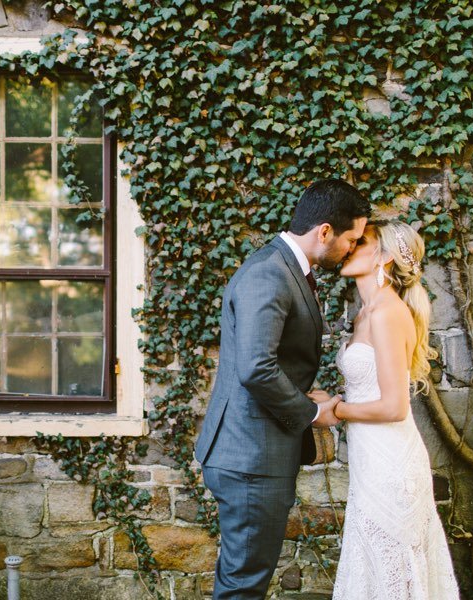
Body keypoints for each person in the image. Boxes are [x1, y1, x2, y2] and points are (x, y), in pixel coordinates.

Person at [194, 179, 370, 599]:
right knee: (243, 586)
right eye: (351, 239)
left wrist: (301, 393)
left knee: (241, 579)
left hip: (253, 453)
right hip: (250, 458)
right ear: (324, 231)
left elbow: (264, 362)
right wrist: (312, 413)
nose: (353, 248)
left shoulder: (285, 269)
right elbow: (256, 368)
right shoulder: (270, 273)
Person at [322, 220, 459, 598]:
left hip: (391, 464)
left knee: (392, 571)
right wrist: (328, 398)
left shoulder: (386, 312)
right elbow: (367, 386)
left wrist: (339, 410)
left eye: (359, 242)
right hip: (371, 459)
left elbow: (395, 407)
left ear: (383, 256)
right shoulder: (366, 313)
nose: (347, 247)